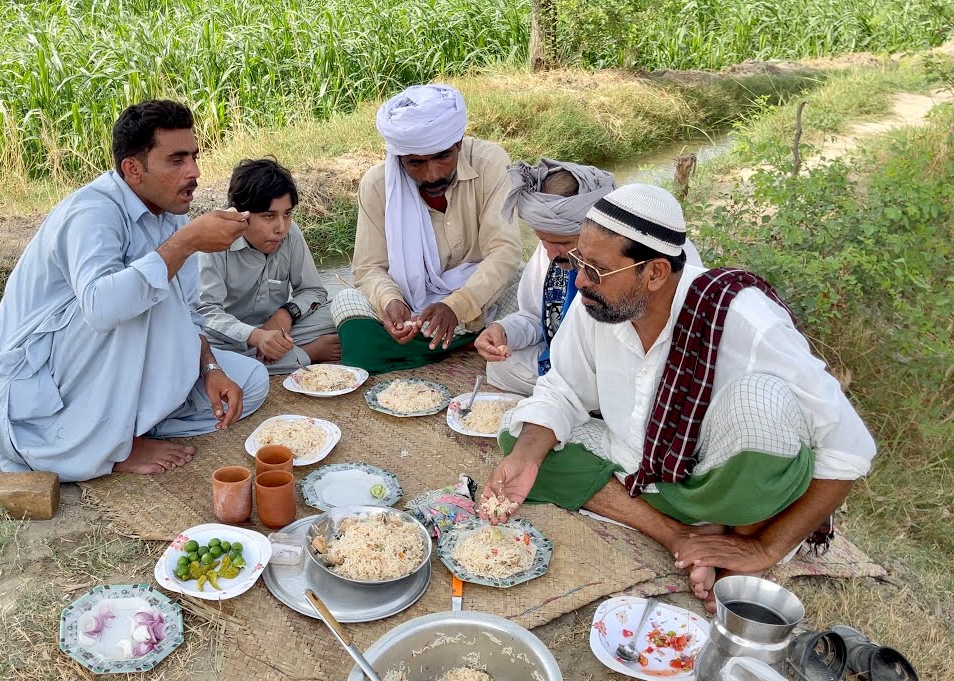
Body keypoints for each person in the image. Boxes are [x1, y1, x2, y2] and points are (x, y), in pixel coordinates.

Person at [480, 184, 875, 611]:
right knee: (521, 440)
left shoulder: (744, 317)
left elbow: (849, 446)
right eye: (578, 260)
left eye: (595, 269)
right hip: (638, 470)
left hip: (715, 481)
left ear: (653, 274)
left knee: (762, 402)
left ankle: (739, 539)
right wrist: (525, 457)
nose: (579, 281)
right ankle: (681, 535)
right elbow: (562, 388)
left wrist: (765, 549)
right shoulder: (599, 301)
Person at [0, 100, 269, 482]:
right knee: (144, 289)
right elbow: (101, 307)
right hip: (45, 377)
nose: (194, 172)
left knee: (250, 380)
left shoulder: (169, 215)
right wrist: (185, 244)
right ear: (133, 169)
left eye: (195, 157)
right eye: (177, 160)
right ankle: (113, 443)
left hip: (103, 365)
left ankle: (127, 423)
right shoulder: (93, 213)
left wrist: (211, 370)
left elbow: (190, 315)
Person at [331, 84, 522, 374]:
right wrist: (391, 301)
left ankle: (439, 343)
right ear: (399, 158)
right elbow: (368, 268)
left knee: (529, 285)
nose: (432, 174)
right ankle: (465, 341)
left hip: (478, 295)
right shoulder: (378, 185)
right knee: (347, 303)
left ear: (458, 142)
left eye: (442, 157)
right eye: (416, 163)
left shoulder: (491, 163)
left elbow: (504, 252)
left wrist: (456, 307)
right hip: (412, 301)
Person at [479, 160, 703, 395]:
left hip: (630, 373)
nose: (550, 254)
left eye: (563, 243)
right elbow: (535, 317)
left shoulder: (659, 263)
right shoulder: (551, 252)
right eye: (543, 242)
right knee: (503, 366)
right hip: (573, 365)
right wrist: (504, 331)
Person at [198, 158, 340, 374]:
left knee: (341, 309)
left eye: (287, 214)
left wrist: (285, 314)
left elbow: (314, 291)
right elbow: (206, 313)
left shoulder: (291, 235)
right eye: (269, 216)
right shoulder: (213, 241)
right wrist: (256, 336)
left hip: (282, 329)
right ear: (241, 216)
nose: (281, 228)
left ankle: (273, 355)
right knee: (201, 347)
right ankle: (308, 354)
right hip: (230, 337)